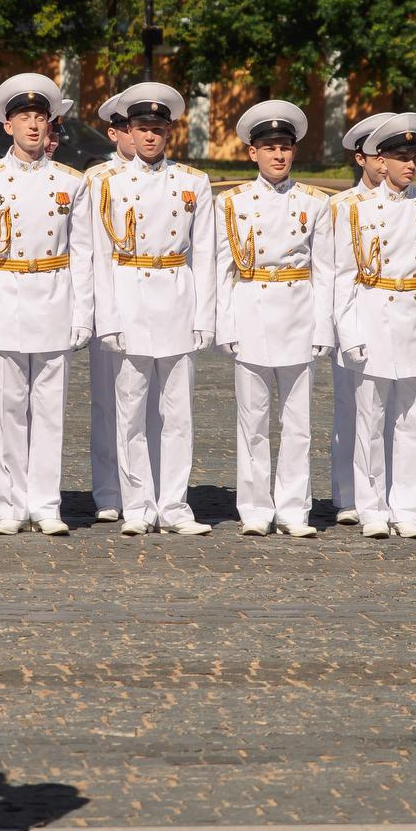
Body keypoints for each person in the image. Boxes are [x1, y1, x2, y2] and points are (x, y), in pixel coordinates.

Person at [0, 74, 94, 536]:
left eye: (41, 117)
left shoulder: (71, 182)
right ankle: (10, 504)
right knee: (8, 407)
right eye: (25, 117)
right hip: (6, 294)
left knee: (49, 410)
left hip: (54, 295)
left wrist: (83, 313)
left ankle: (46, 503)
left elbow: (83, 252)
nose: (34, 126)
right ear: (7, 125)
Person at [92, 82, 214, 536]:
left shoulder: (192, 182)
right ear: (129, 131)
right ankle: (138, 504)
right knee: (130, 411)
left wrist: (205, 315)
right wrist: (105, 317)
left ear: (170, 134)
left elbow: (206, 254)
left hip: (177, 298)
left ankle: (176, 505)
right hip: (128, 296)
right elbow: (99, 258)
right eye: (142, 128)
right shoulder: (104, 183)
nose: (149, 137)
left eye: (158, 129)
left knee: (178, 413)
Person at [332, 113, 416, 539]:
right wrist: (348, 333)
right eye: (402, 157)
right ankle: (371, 508)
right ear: (379, 161)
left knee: (412, 422)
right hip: (372, 321)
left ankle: (407, 509)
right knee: (368, 421)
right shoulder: (351, 209)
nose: (411, 164)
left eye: (414, 156)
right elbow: (342, 277)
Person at [216, 101, 330, 537]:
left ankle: (294, 509)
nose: (278, 156)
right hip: (252, 312)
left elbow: (326, 270)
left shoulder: (315, 203)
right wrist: (224, 323)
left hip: (298, 312)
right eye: (269, 148)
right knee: (253, 421)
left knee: (298, 422)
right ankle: (255, 509)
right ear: (252, 153)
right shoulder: (231, 203)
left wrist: (323, 325)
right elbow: (222, 270)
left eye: (284, 147)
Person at [326, 113, 390, 525]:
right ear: (360, 158)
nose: (384, 165)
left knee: (390, 410)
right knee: (349, 407)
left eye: (390, 156)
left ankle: (387, 490)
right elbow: (329, 269)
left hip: (394, 317)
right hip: (350, 316)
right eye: (376, 155)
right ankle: (348, 492)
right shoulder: (339, 207)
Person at [80, 93, 131, 522]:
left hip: (152, 294)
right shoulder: (96, 179)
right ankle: (108, 490)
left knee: (146, 403)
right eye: (127, 127)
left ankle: (143, 486)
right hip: (107, 294)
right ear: (116, 133)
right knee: (106, 402)